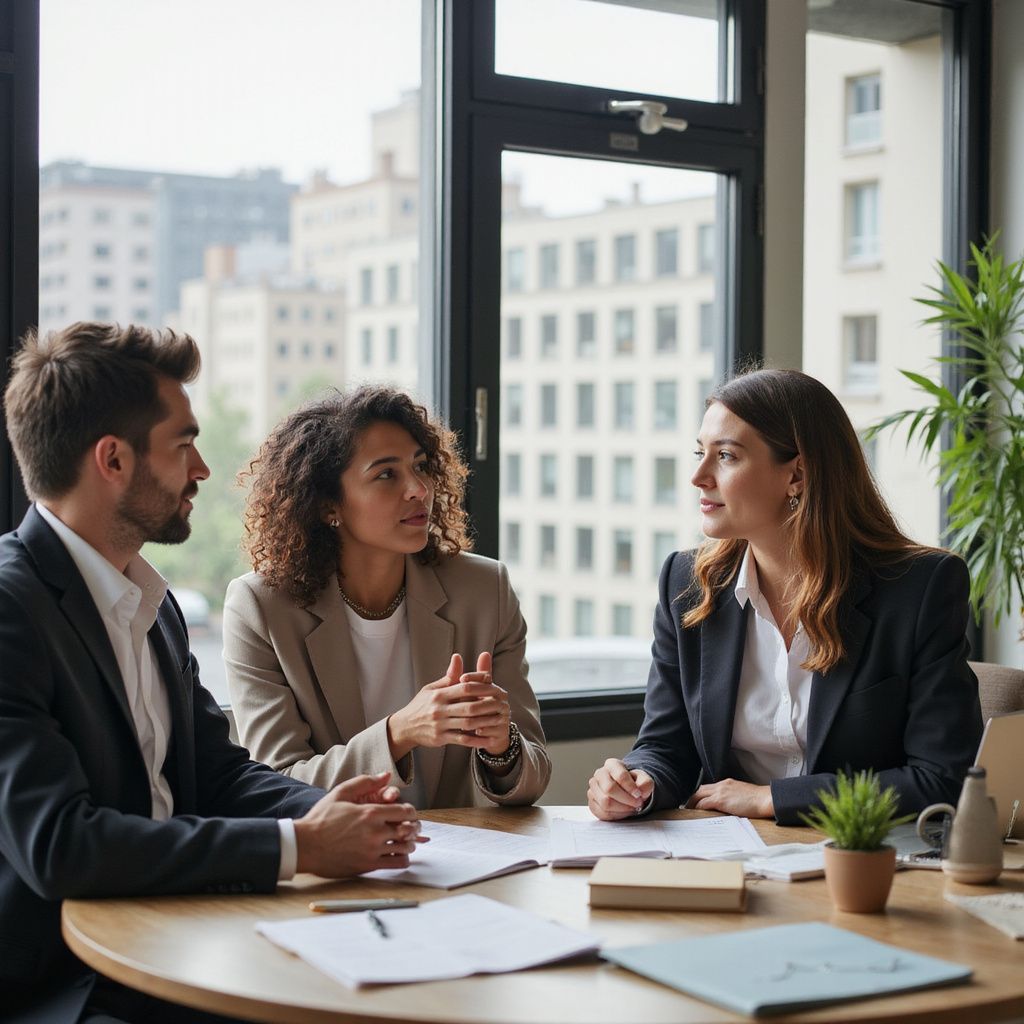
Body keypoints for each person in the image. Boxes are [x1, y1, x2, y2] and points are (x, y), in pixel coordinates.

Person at [0, 323, 422, 1024]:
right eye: (183, 442)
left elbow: (217, 773)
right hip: (69, 983)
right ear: (113, 460)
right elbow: (60, 845)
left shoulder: (150, 603)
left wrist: (316, 809)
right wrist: (301, 845)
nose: (201, 468)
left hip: (181, 934)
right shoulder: (12, 609)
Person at [587, 368, 982, 827]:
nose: (698, 476)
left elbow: (943, 779)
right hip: (731, 855)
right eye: (700, 453)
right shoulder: (686, 583)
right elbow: (666, 745)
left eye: (727, 456)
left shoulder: (919, 588)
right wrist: (637, 781)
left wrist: (772, 799)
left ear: (797, 473)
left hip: (861, 859)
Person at [223, 385, 550, 808]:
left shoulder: (485, 591)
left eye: (421, 466)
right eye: (385, 474)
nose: (418, 489)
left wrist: (500, 744)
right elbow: (281, 783)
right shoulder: (259, 608)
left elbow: (532, 779)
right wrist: (400, 732)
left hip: (451, 858)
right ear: (327, 505)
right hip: (334, 859)